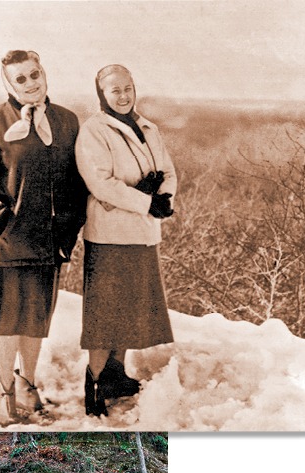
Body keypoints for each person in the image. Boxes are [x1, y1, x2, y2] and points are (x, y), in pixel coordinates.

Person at [0, 49, 86, 426]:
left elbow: (77, 185)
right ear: (9, 83)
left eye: (35, 74)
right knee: (6, 322)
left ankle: (28, 383)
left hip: (49, 243)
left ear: (43, 73)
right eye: (21, 79)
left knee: (35, 320)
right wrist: (3, 222)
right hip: (8, 242)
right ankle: (4, 393)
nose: (31, 83)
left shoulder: (66, 121)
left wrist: (68, 230)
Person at [75, 64, 176, 416]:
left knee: (129, 308)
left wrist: (163, 200)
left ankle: (116, 374)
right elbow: (100, 182)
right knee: (106, 313)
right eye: (114, 90)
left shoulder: (149, 128)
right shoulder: (94, 130)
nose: (123, 95)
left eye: (128, 87)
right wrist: (145, 201)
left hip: (142, 234)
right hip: (110, 236)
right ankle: (96, 381)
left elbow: (167, 171)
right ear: (102, 94)